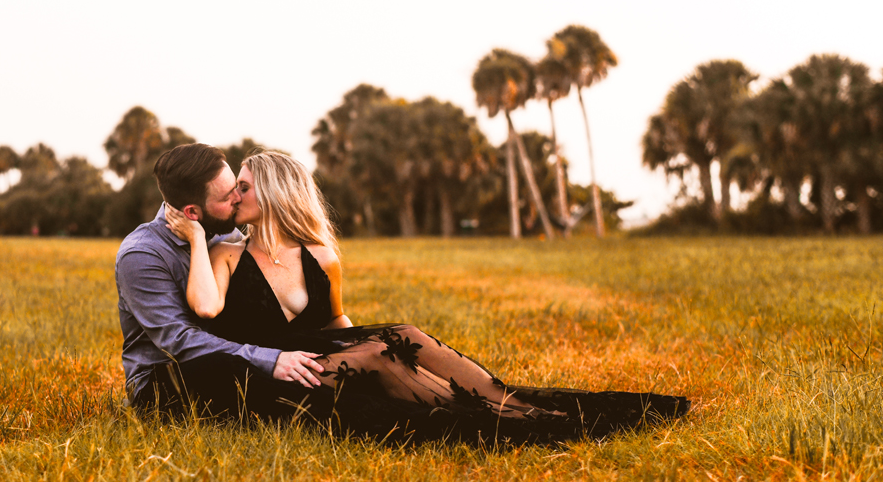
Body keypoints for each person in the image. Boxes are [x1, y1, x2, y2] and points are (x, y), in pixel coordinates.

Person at [162, 149, 690, 445]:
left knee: (404, 336)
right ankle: (510, 425)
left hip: (319, 355)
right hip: (268, 372)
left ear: (276, 193)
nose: (235, 196)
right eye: (236, 189)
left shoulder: (320, 255)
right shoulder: (226, 254)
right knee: (376, 352)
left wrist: (377, 352)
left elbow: (339, 320)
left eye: (245, 187)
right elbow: (206, 310)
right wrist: (193, 240)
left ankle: (505, 403)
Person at [115, 143, 330, 420]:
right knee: (267, 378)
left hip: (234, 360)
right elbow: (181, 343)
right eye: (229, 196)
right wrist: (270, 359)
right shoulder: (142, 255)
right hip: (166, 379)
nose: (238, 200)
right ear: (192, 213)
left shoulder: (225, 237)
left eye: (239, 188)